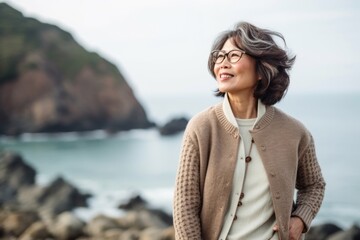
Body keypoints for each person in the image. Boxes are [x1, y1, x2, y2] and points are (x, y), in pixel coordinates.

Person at [173, 21, 325, 240]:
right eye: (219, 56)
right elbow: (185, 205)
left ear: (262, 69)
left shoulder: (295, 132)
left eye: (234, 55)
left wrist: (300, 219)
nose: (223, 63)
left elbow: (314, 185)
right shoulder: (202, 127)